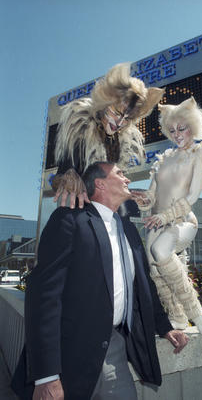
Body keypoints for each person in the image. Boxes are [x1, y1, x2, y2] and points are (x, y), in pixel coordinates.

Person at [11, 162, 188, 400]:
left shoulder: (128, 229)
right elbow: (43, 297)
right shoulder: (69, 220)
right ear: (100, 184)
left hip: (115, 349)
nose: (127, 179)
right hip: (69, 356)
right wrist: (46, 376)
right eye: (120, 174)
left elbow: (142, 286)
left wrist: (165, 327)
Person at [132, 97, 202, 337]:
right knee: (155, 270)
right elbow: (152, 196)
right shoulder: (163, 158)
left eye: (182, 128)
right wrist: (141, 199)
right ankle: (177, 317)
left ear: (193, 126)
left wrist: (166, 215)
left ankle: (197, 314)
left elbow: (193, 194)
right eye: (172, 130)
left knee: (160, 251)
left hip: (183, 221)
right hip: (156, 224)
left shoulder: (201, 152)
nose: (177, 134)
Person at [52, 62, 164, 208]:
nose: (119, 123)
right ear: (105, 103)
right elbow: (59, 178)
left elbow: (108, 187)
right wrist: (67, 178)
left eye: (127, 119)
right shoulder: (81, 130)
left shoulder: (120, 142)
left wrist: (132, 195)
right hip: (80, 208)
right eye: (117, 113)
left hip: (107, 210)